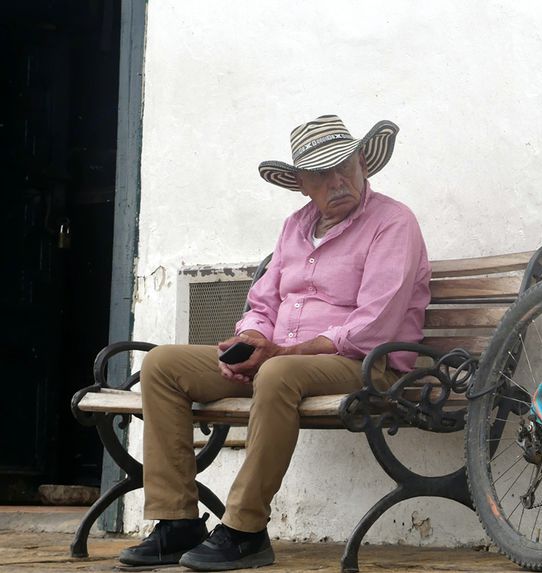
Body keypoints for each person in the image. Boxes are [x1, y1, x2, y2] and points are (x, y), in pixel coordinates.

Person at [118, 115, 431, 571]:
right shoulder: (295, 226)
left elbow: (371, 329)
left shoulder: (393, 223)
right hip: (278, 365)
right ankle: (176, 522)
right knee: (162, 365)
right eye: (322, 173)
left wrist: (278, 354)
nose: (338, 180)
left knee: (278, 372)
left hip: (362, 364)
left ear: (365, 162)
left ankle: (245, 529)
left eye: (345, 165)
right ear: (302, 184)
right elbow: (262, 304)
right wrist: (248, 341)